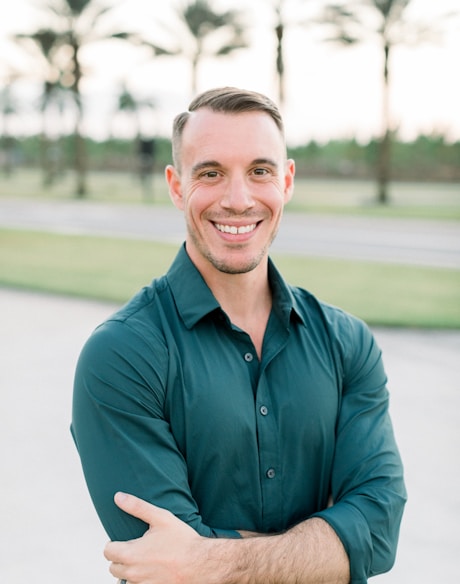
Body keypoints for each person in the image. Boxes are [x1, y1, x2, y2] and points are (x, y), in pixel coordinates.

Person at [71, 87, 406, 584]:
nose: (237, 199)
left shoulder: (347, 343)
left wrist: (208, 557)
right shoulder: (121, 355)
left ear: (286, 180)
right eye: (210, 173)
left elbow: (378, 531)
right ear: (176, 185)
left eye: (259, 171)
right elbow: (163, 567)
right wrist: (330, 543)